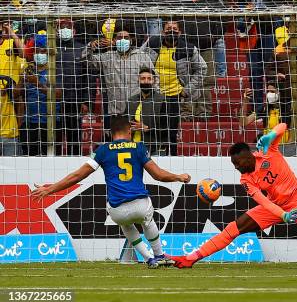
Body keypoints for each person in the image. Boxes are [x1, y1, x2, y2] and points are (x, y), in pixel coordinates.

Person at [170, 123, 297, 268]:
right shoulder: (246, 179)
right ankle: (191, 258)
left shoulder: (269, 151)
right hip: (275, 206)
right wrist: (282, 215)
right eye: (233, 165)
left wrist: (270, 134)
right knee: (233, 228)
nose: (236, 168)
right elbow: (262, 201)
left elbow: (283, 127)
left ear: (247, 156)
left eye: (237, 163)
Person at [31, 115, 191, 269]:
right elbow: (158, 175)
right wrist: (178, 177)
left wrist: (50, 189)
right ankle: (159, 254)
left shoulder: (102, 150)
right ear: (129, 131)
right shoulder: (138, 147)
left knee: (125, 224)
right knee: (147, 219)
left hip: (117, 210)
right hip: (141, 205)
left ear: (111, 133)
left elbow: (78, 175)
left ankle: (149, 258)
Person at [141, 20, 206, 153]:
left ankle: (172, 157)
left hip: (174, 96)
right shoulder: (152, 43)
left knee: (170, 133)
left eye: (175, 29)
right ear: (162, 31)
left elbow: (202, 68)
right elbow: (139, 60)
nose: (171, 31)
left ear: (180, 32)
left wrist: (186, 90)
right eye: (168, 28)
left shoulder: (188, 48)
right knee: (151, 130)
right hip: (153, 94)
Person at [85, 25, 155, 119]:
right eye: (119, 38)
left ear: (131, 40)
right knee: (118, 134)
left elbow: (155, 78)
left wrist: (152, 102)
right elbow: (86, 61)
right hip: (116, 111)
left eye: (126, 38)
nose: (123, 40)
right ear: (114, 40)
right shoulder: (107, 57)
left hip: (139, 109)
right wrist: (90, 47)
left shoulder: (142, 56)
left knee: (140, 134)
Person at [56, 19, 94, 155]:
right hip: (53, 102)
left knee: (74, 136)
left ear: (74, 31)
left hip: (75, 99)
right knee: (55, 136)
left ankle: (75, 159)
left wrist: (86, 101)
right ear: (57, 31)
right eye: (62, 27)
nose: (65, 29)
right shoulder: (51, 48)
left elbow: (88, 77)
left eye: (68, 27)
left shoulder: (81, 49)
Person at [19, 34, 61, 156]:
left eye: (43, 51)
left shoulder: (55, 71)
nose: (40, 54)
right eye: (36, 51)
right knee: (30, 159)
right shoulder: (28, 70)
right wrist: (22, 80)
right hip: (30, 122)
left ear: (49, 54)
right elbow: (16, 94)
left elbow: (58, 95)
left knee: (51, 158)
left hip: (50, 122)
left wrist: (37, 83)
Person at [125, 67, 169, 155]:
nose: (146, 81)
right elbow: (124, 124)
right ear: (138, 81)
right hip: (131, 148)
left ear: (154, 81)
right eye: (143, 78)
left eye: (149, 79)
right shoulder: (131, 100)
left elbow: (167, 129)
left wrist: (147, 129)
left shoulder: (162, 100)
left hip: (154, 149)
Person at [0, 19, 25, 156]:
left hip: (9, 130)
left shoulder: (11, 44)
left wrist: (11, 32)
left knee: (14, 174)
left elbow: (23, 52)